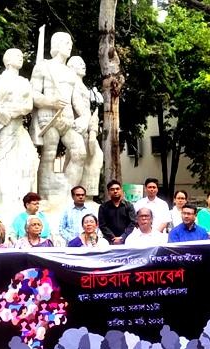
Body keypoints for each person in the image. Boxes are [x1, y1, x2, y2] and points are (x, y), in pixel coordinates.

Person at [31, 32, 86, 196]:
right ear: (56, 45)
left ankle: (68, 192)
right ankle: (45, 195)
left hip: (68, 118)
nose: (70, 46)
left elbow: (76, 99)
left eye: (70, 42)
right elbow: (32, 93)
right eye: (66, 42)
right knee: (49, 154)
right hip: (49, 116)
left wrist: (83, 117)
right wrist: (50, 101)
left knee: (80, 153)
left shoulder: (71, 73)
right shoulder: (43, 66)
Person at [0, 48, 38, 208]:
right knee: (2, 161)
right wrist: (2, 113)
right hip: (3, 127)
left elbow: (28, 105)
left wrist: (13, 112)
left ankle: (23, 197)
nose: (21, 58)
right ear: (7, 59)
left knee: (29, 159)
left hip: (18, 126)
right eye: (17, 56)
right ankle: (4, 198)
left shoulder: (24, 82)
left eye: (22, 56)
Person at [68, 55, 103, 197]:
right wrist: (86, 119)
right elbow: (77, 103)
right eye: (79, 63)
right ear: (71, 67)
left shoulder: (83, 86)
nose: (83, 65)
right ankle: (75, 192)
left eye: (83, 63)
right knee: (81, 158)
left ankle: (86, 193)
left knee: (92, 157)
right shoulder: (74, 84)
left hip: (88, 125)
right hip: (80, 125)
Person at [98, 180, 136, 245]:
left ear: (121, 190)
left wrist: (122, 237)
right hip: (108, 241)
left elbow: (132, 223)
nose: (115, 191)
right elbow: (102, 225)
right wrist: (113, 238)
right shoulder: (103, 207)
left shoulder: (129, 206)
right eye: (112, 189)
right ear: (108, 192)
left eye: (117, 189)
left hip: (127, 240)